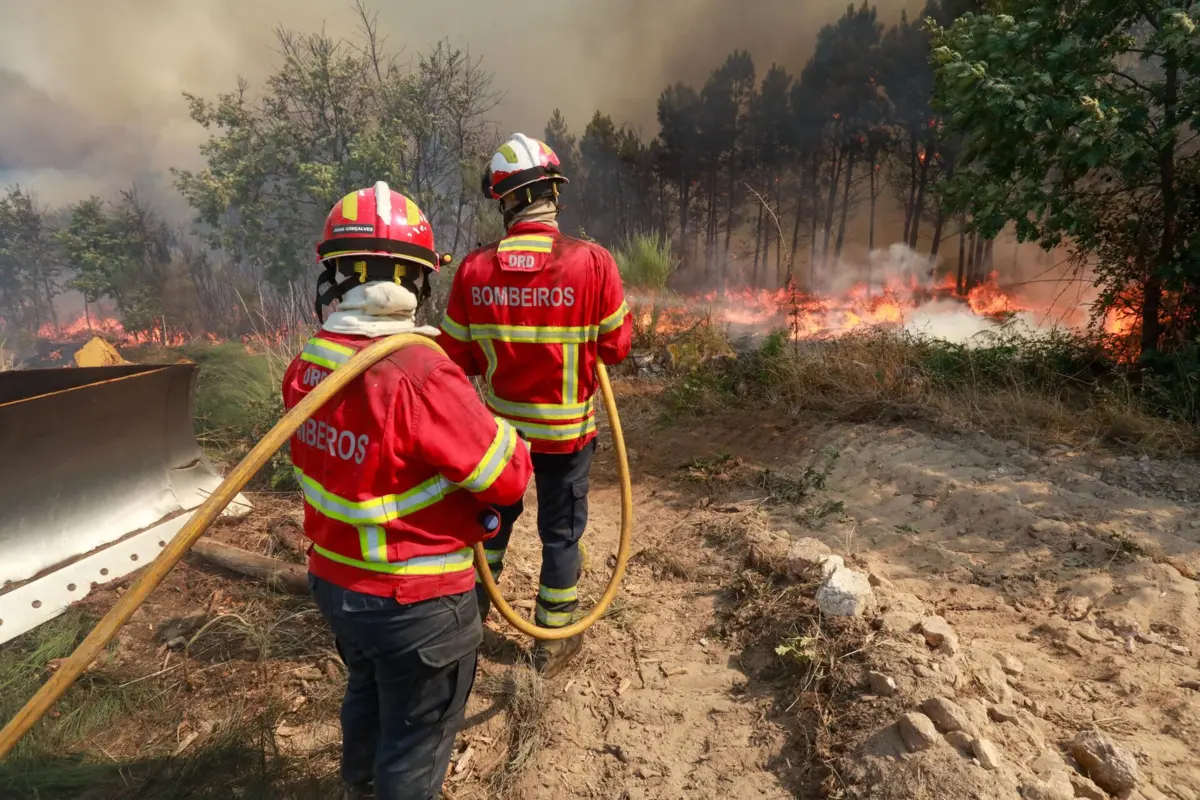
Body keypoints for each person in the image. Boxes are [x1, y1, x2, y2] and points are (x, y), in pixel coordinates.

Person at [282, 182, 533, 800]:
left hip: (338, 586)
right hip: (416, 605)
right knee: (416, 744)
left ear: (335, 275)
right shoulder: (419, 373)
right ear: (418, 282)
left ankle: (356, 788)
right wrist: (500, 430)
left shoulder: (309, 363)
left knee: (365, 694)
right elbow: (507, 476)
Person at [439, 133, 633, 678]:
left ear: (505, 201)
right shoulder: (593, 263)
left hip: (497, 437)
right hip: (566, 437)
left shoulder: (473, 270)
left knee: (490, 523)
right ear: (552, 191)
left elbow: (458, 358)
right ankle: (552, 639)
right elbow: (616, 348)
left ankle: (470, 618)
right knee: (561, 532)